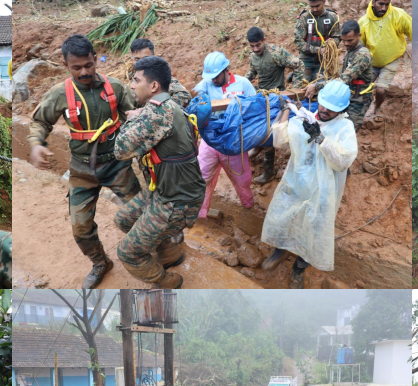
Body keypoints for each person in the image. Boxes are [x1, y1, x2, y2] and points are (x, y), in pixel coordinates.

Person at [29, 34, 138, 288]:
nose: (84, 71)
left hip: (117, 164)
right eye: (76, 67)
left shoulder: (116, 88)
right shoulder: (60, 94)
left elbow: (135, 118)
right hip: (81, 170)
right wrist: (36, 144)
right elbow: (40, 122)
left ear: (95, 59)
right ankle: (101, 263)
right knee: (80, 229)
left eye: (88, 65)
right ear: (66, 65)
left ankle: (151, 248)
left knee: (139, 213)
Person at [111, 56, 204, 288]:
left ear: (153, 86)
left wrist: (135, 119)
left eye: (135, 80)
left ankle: (169, 281)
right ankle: (168, 251)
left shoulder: (155, 114)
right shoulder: (168, 104)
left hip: (176, 201)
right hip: (165, 192)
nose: (131, 85)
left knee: (127, 252)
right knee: (123, 219)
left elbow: (120, 150)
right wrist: (141, 114)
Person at [259, 80, 358, 289]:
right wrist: (286, 111)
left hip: (322, 191)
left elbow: (343, 161)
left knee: (314, 229)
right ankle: (281, 250)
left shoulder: (345, 128)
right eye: (322, 105)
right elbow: (279, 141)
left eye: (330, 110)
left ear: (341, 111)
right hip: (295, 183)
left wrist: (320, 139)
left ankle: (299, 268)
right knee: (284, 214)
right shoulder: (307, 119)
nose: (324, 110)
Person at [192, 51, 258, 218]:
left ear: (226, 70)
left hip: (233, 141)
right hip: (210, 140)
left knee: (242, 179)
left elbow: (256, 107)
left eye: (216, 76)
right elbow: (197, 90)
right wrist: (200, 95)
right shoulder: (207, 84)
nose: (213, 79)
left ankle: (248, 204)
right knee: (201, 176)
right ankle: (199, 212)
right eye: (210, 76)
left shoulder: (243, 84)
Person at [244, 27, 301, 184]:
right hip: (262, 97)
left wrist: (294, 89)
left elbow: (298, 64)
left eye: (258, 45)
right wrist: (243, 82)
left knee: (272, 132)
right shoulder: (253, 56)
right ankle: (259, 148)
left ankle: (269, 172)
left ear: (264, 40)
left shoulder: (277, 53)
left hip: (278, 99)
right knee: (256, 125)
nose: (255, 49)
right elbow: (252, 72)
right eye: (252, 46)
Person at [357, 0, 413, 118]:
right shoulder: (363, 22)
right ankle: (362, 111)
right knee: (363, 88)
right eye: (380, 4)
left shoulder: (399, 15)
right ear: (373, 2)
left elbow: (411, 30)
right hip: (372, 61)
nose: (383, 8)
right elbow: (360, 47)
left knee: (381, 90)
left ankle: (377, 108)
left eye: (386, 4)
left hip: (391, 59)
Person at [305, 20, 374, 126]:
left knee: (348, 129)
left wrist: (317, 86)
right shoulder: (351, 50)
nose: (346, 44)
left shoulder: (362, 55)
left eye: (350, 40)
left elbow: (343, 80)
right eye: (344, 40)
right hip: (347, 96)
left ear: (359, 36)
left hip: (358, 100)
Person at [293, 0, 340, 84]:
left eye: (317, 6)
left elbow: (337, 37)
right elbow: (298, 42)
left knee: (322, 85)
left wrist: (330, 45)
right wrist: (318, 50)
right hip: (306, 59)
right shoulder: (304, 18)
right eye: (311, 6)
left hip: (324, 60)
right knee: (299, 85)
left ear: (324, 1)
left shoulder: (332, 17)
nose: (314, 9)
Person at [129, 39, 191, 106]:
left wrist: (155, 109)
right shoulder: (132, 77)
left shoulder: (158, 76)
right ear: (132, 59)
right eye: (137, 59)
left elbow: (184, 96)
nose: (141, 62)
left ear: (153, 57)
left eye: (146, 58)